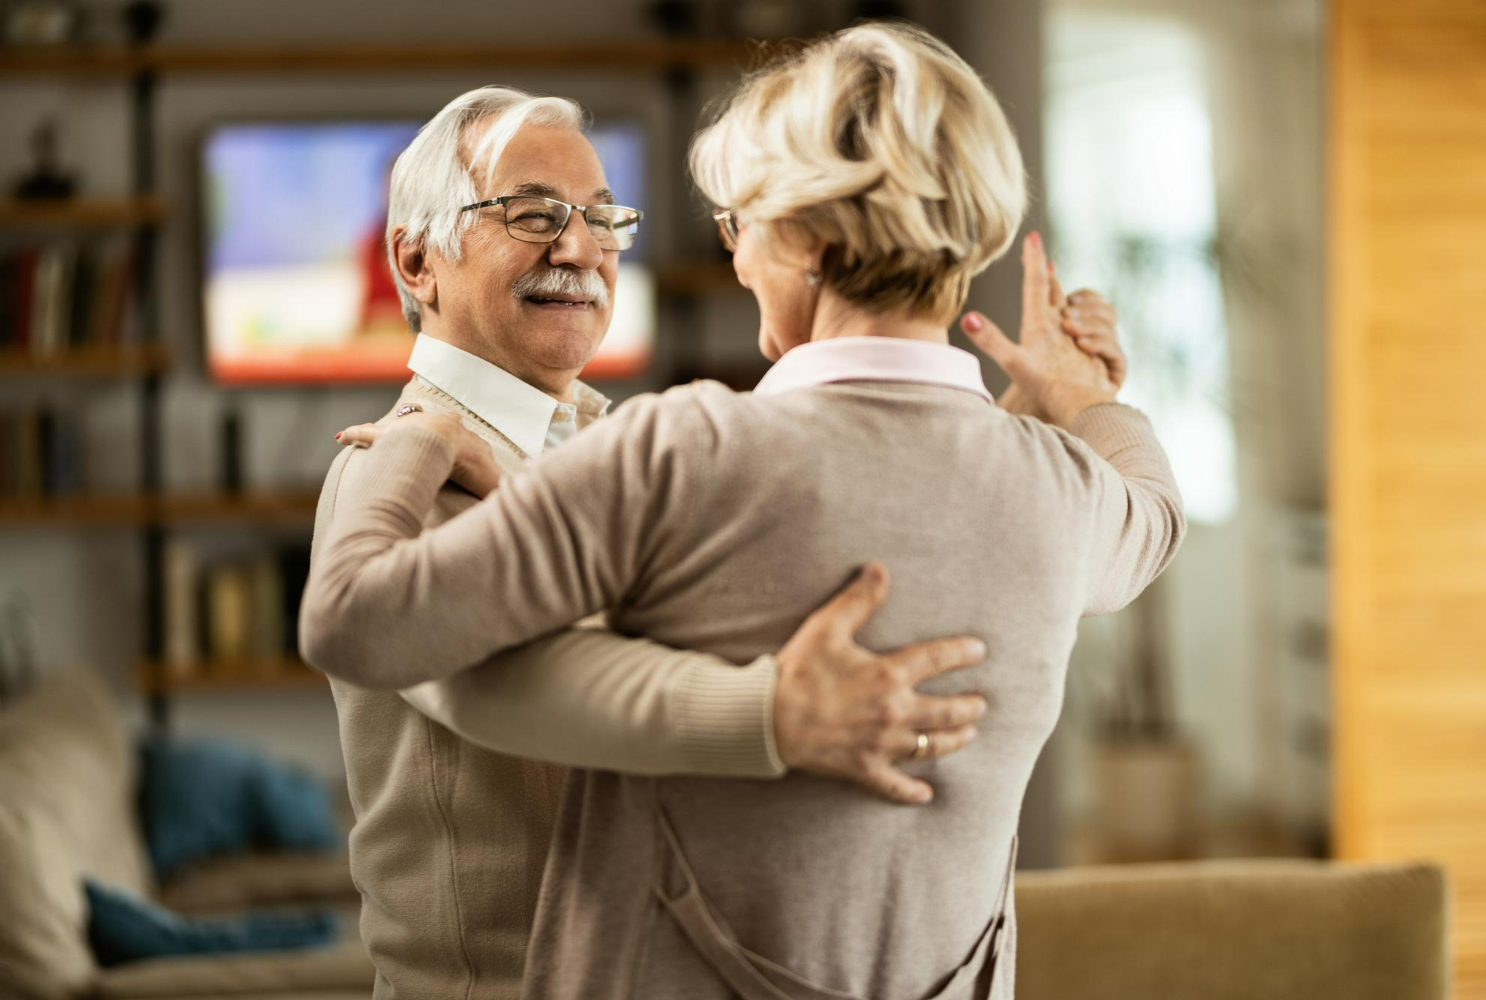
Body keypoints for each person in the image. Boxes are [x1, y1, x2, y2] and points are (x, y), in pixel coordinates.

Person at [303, 22, 1171, 997]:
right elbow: (482, 676)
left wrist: (989, 441)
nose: (584, 246)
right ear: (415, 264)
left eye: (602, 215)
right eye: (535, 212)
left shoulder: (643, 443)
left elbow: (914, 509)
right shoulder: (392, 473)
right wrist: (773, 709)